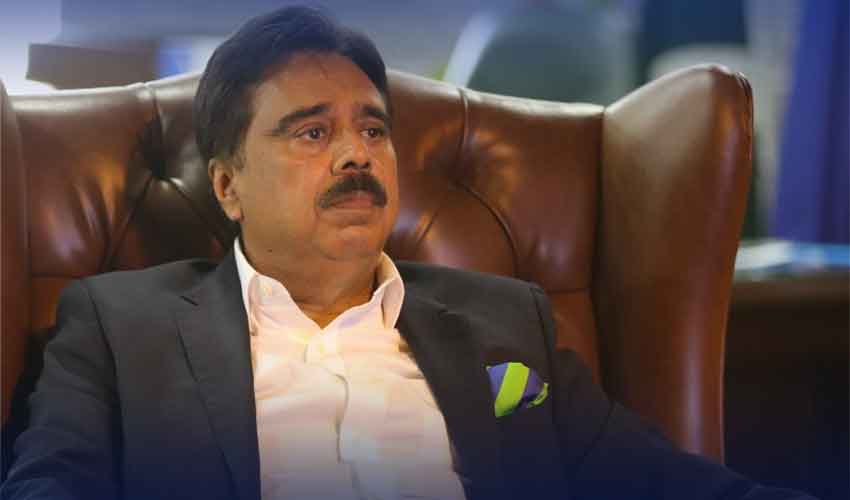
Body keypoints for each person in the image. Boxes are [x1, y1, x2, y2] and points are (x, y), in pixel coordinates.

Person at [1, 6, 818, 500]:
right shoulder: (121, 324)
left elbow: (658, 483)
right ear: (227, 185)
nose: (356, 154)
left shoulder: (506, 323)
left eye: (373, 129)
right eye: (312, 132)